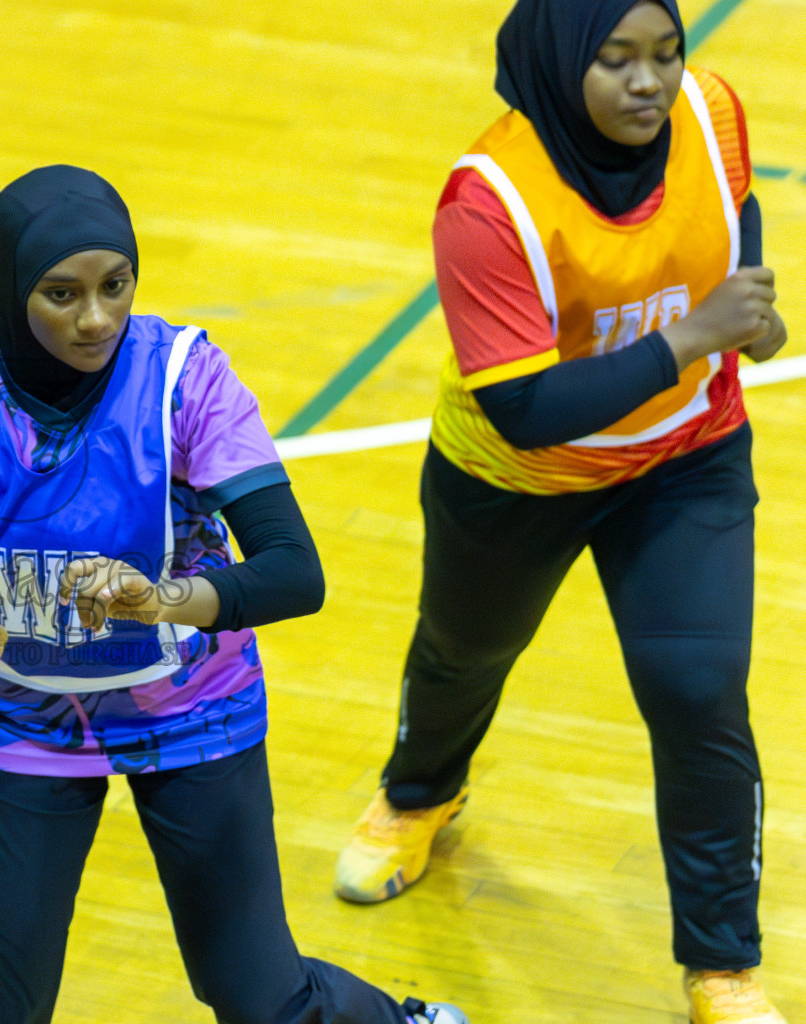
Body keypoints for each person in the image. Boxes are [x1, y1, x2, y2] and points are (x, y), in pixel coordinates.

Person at [0, 165, 468, 1024]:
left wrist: (162, 601)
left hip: (192, 712)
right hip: (29, 728)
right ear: (13, 291)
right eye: (61, 293)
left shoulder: (184, 380)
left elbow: (294, 572)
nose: (95, 319)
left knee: (258, 998)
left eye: (116, 286)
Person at [331, 1, 788, 1021]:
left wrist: (751, 307)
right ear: (556, 60)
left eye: (666, 52)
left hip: (687, 458)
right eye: (616, 59)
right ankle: (421, 793)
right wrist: (690, 335)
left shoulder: (711, 113)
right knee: (463, 651)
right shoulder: (487, 200)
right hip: (518, 479)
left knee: (699, 688)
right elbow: (530, 410)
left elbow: (736, 204)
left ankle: (723, 964)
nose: (650, 81)